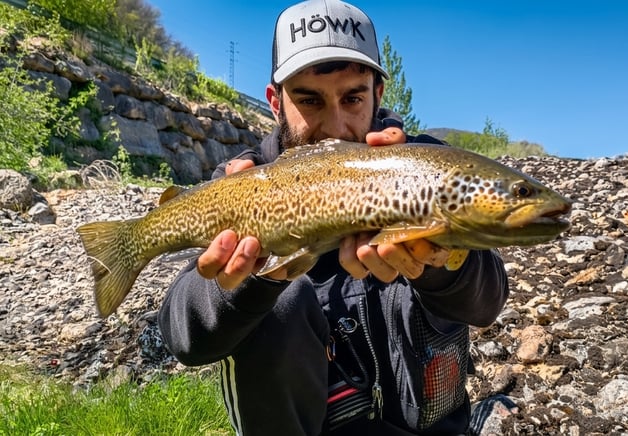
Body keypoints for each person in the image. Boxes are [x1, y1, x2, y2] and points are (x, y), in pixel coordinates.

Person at [157, 1, 509, 435]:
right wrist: (255, 280)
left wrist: (441, 261)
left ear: (378, 94)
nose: (335, 126)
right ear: (275, 103)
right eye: (309, 100)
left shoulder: (422, 168)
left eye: (352, 98)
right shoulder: (242, 183)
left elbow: (487, 303)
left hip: (426, 425)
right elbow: (184, 339)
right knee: (280, 298)